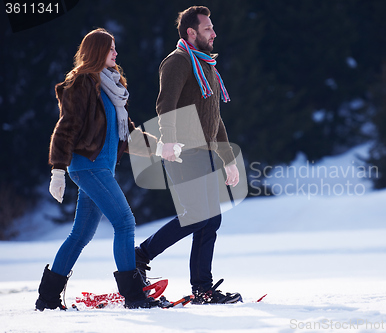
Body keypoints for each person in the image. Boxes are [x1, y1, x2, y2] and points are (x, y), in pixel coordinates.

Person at [36, 28, 160, 310]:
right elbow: (65, 127)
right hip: (88, 168)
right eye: (111, 49)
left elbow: (128, 135)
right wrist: (57, 170)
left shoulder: (111, 88)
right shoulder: (82, 84)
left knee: (80, 235)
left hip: (100, 169)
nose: (116, 54)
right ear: (96, 52)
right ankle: (135, 296)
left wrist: (163, 148)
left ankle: (47, 298)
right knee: (125, 223)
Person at [134, 6, 242, 304]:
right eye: (208, 29)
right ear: (191, 33)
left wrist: (228, 159)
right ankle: (140, 255)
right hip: (182, 152)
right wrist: (167, 141)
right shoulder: (178, 62)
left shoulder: (206, 65)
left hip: (205, 153)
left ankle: (203, 288)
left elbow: (215, 118)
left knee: (211, 221)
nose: (214, 33)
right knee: (196, 216)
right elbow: (165, 105)